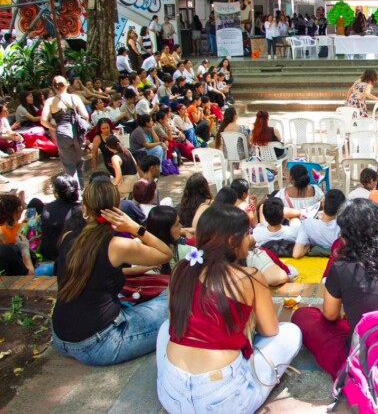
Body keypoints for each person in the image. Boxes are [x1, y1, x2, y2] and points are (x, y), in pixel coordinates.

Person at [155, 205, 301, 413]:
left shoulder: (180, 269)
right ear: (233, 241)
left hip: (172, 395)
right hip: (225, 401)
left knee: (164, 329)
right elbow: (271, 331)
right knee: (291, 333)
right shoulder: (249, 277)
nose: (250, 239)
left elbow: (175, 321)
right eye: (247, 234)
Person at [291, 198, 378, 379]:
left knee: (303, 316)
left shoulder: (342, 266)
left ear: (345, 233)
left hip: (364, 357)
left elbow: (330, 314)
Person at [52, 180, 172, 366]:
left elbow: (96, 273)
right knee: (175, 296)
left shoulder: (69, 237)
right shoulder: (117, 246)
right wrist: (134, 228)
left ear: (85, 209)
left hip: (60, 337)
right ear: (118, 211)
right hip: (99, 344)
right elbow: (166, 253)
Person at [41, 76, 90, 189]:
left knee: (69, 166)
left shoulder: (50, 101)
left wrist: (54, 127)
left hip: (63, 132)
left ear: (54, 87)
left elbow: (43, 120)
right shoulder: (74, 97)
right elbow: (85, 116)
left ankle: (75, 193)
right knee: (78, 162)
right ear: (67, 84)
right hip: (76, 132)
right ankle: (81, 189)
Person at [293, 189, 345, 259]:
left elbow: (296, 254)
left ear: (323, 203)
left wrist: (308, 247)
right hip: (336, 263)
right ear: (342, 209)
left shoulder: (307, 224)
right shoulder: (344, 226)